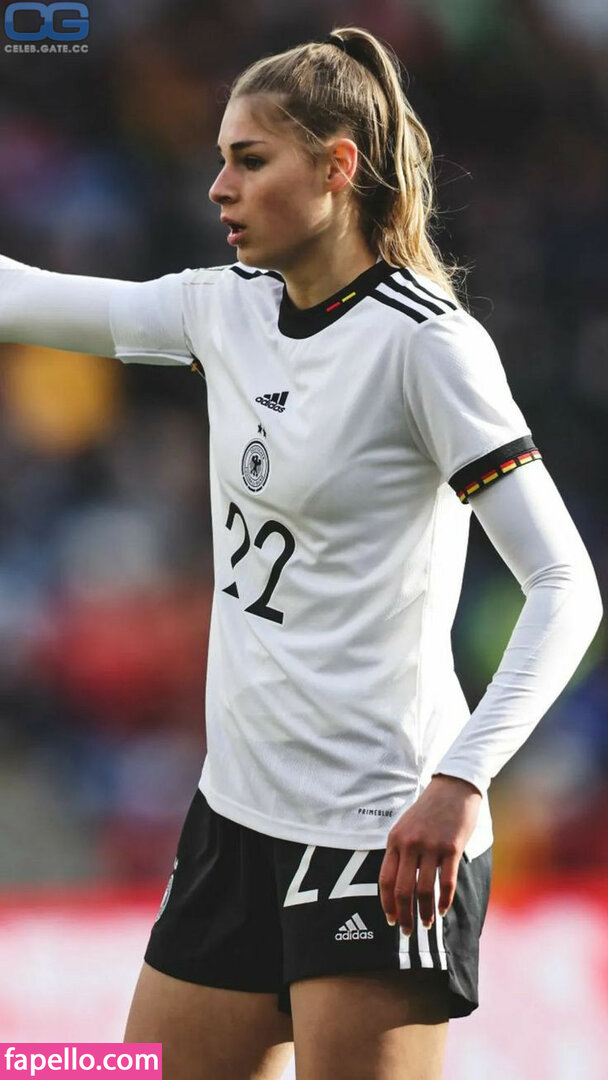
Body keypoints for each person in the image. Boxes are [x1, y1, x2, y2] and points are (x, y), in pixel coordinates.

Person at [0, 25, 602, 1080]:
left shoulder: (427, 345)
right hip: (234, 821)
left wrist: (461, 781)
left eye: (248, 159)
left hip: (382, 832)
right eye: (219, 158)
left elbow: (565, 586)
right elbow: (17, 295)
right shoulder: (220, 310)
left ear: (336, 168)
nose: (217, 187)